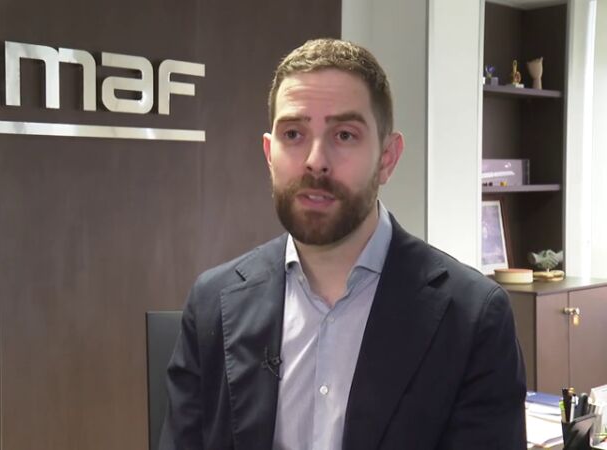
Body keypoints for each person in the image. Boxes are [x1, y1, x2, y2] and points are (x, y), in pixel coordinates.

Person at [159, 38, 527, 450]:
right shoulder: (212, 303)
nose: (316, 160)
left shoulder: (473, 318)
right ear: (269, 154)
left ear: (387, 158)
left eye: (345, 135)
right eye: (293, 133)